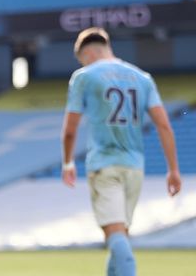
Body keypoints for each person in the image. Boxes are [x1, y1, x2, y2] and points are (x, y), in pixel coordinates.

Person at [61, 27, 181, 276]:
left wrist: (67, 162)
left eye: (82, 58)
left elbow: (70, 129)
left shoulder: (84, 76)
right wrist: (173, 169)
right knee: (120, 237)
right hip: (134, 167)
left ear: (89, 53)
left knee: (115, 238)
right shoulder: (142, 78)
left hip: (105, 165)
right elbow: (164, 125)